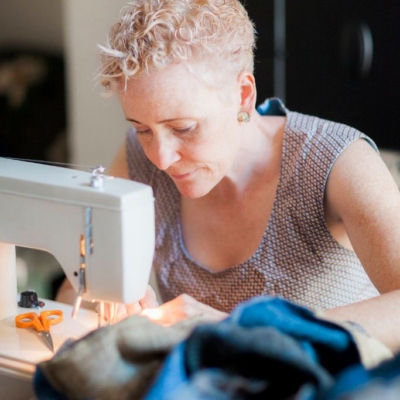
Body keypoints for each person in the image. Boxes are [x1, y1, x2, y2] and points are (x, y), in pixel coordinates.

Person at [57, 0, 400, 354]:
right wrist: (111, 303)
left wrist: (239, 328)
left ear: (243, 95)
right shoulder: (136, 160)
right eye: (143, 129)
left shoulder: (339, 163)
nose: (160, 158)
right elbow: (73, 290)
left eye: (184, 128)